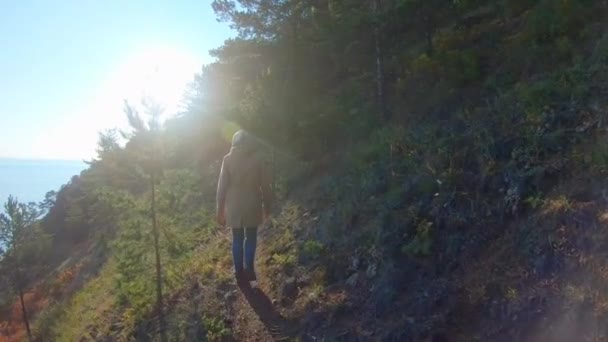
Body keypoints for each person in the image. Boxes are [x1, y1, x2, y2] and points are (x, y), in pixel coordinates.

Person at [216, 130, 272, 285]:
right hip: (252, 204)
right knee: (251, 238)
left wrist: (220, 210)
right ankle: (250, 270)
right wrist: (267, 206)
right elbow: (266, 186)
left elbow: (221, 188)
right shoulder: (258, 159)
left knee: (237, 239)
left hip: (234, 207)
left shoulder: (227, 160)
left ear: (233, 143)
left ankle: (238, 271)